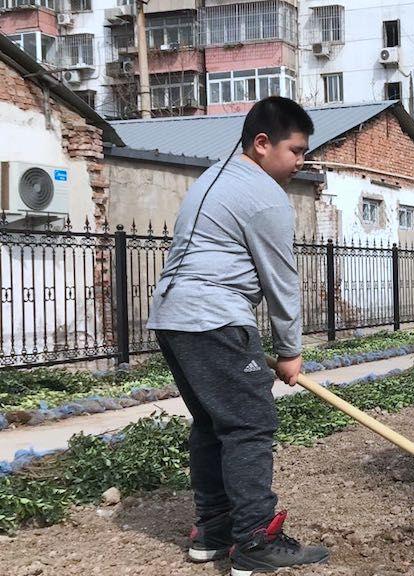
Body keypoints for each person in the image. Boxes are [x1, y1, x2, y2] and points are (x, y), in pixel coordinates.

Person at [147, 97, 329, 575]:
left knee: (214, 424)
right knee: (249, 425)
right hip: (215, 318)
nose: (301, 162)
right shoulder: (264, 196)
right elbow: (281, 280)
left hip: (173, 317)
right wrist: (290, 350)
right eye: (296, 150)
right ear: (262, 144)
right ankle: (254, 541)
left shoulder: (212, 177)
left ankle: (214, 530)